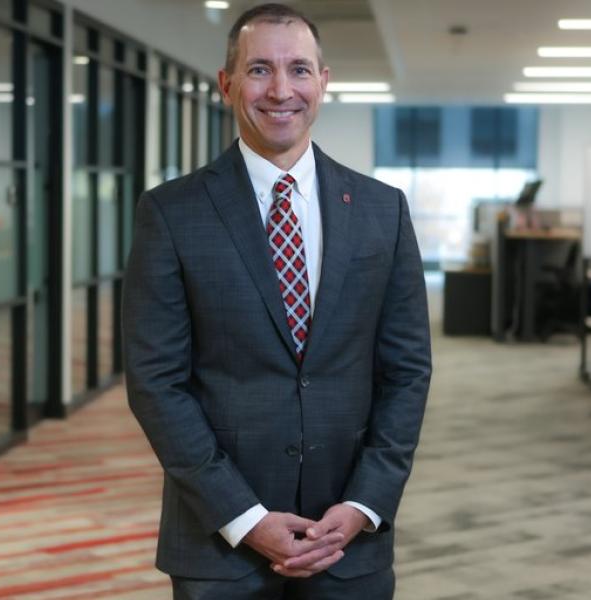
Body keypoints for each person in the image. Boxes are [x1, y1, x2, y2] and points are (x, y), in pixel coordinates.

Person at [122, 3, 431, 598]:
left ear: (323, 82)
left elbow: (407, 370)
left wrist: (367, 501)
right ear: (227, 83)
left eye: (299, 70)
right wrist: (246, 518)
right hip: (221, 543)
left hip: (349, 538)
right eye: (260, 69)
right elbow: (157, 381)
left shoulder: (381, 210)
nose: (281, 90)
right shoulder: (171, 212)